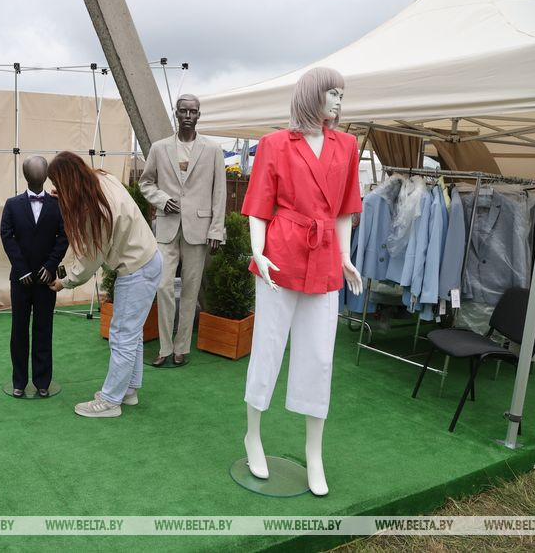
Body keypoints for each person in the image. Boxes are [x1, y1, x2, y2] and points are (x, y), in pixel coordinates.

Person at [240, 67, 363, 496]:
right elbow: (258, 206)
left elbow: (345, 209)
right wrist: (258, 252)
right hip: (280, 255)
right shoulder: (275, 144)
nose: (339, 101)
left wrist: (346, 257)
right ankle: (252, 435)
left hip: (325, 258)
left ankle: (314, 452)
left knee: (319, 357)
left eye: (342, 94)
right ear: (312, 94)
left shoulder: (346, 146)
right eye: (333, 93)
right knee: (268, 347)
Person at [47, 151, 162, 418]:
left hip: (136, 269)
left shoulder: (94, 210)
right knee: (131, 333)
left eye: (57, 183)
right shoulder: (103, 178)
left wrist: (64, 282)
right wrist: (65, 194)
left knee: (122, 335)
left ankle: (110, 401)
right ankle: (128, 390)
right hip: (147, 260)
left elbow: (90, 260)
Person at [139, 93, 226, 366]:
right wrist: (162, 199)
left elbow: (219, 192)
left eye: (193, 111)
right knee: (163, 285)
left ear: (199, 114)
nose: (188, 116)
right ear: (176, 113)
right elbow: (145, 183)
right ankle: (165, 347)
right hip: (166, 227)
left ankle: (181, 347)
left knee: (190, 289)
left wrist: (216, 230)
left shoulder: (213, 150)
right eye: (183, 111)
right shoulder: (159, 148)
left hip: (199, 229)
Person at [1, 156, 69, 398]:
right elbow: (6, 236)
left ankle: (42, 380)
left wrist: (51, 265)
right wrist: (21, 269)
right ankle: (19, 381)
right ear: (25, 175)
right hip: (21, 280)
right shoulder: (12, 204)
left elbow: (64, 236)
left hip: (45, 280)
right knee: (18, 330)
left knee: (44, 329)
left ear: (46, 175)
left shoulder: (58, 205)